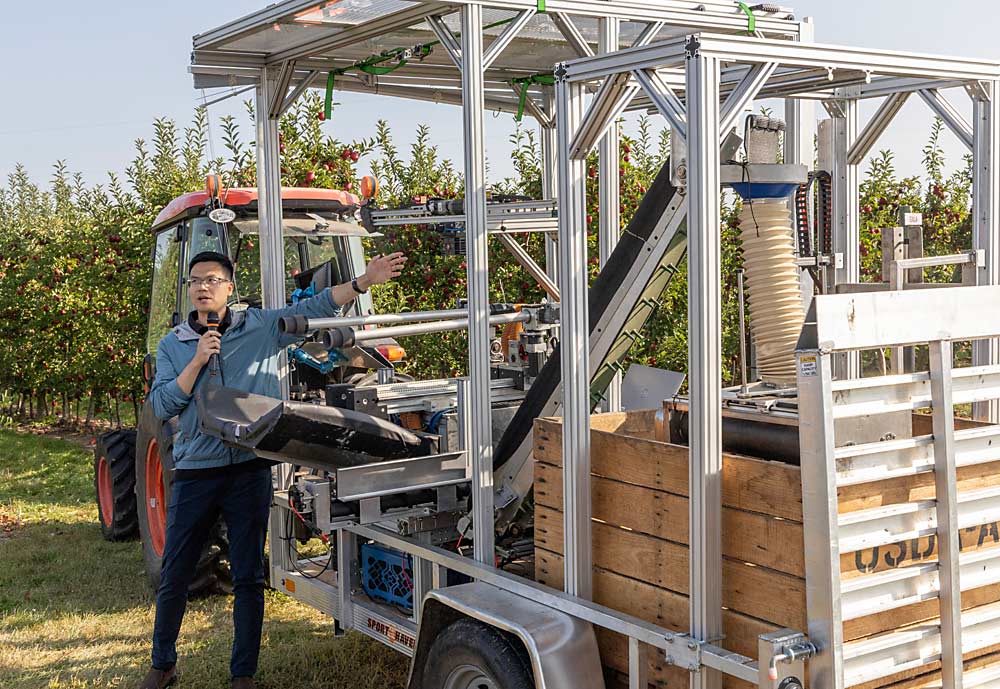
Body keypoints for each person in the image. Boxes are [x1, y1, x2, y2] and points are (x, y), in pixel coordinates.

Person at [139, 249, 407, 689]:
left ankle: (242, 673)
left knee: (247, 574)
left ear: (229, 287)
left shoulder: (259, 327)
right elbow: (164, 403)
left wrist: (362, 282)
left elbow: (314, 307)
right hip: (195, 470)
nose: (202, 287)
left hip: (248, 468)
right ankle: (162, 664)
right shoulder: (174, 345)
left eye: (211, 280)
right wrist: (197, 362)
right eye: (194, 281)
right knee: (175, 573)